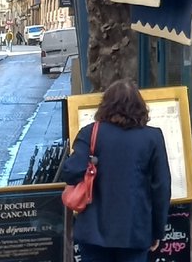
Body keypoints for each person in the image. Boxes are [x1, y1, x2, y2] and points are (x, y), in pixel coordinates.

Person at [62, 78, 171, 262]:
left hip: (93, 233)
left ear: (105, 105)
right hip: (134, 232)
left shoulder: (90, 133)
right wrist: (157, 231)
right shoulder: (153, 137)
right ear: (140, 106)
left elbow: (71, 172)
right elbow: (161, 188)